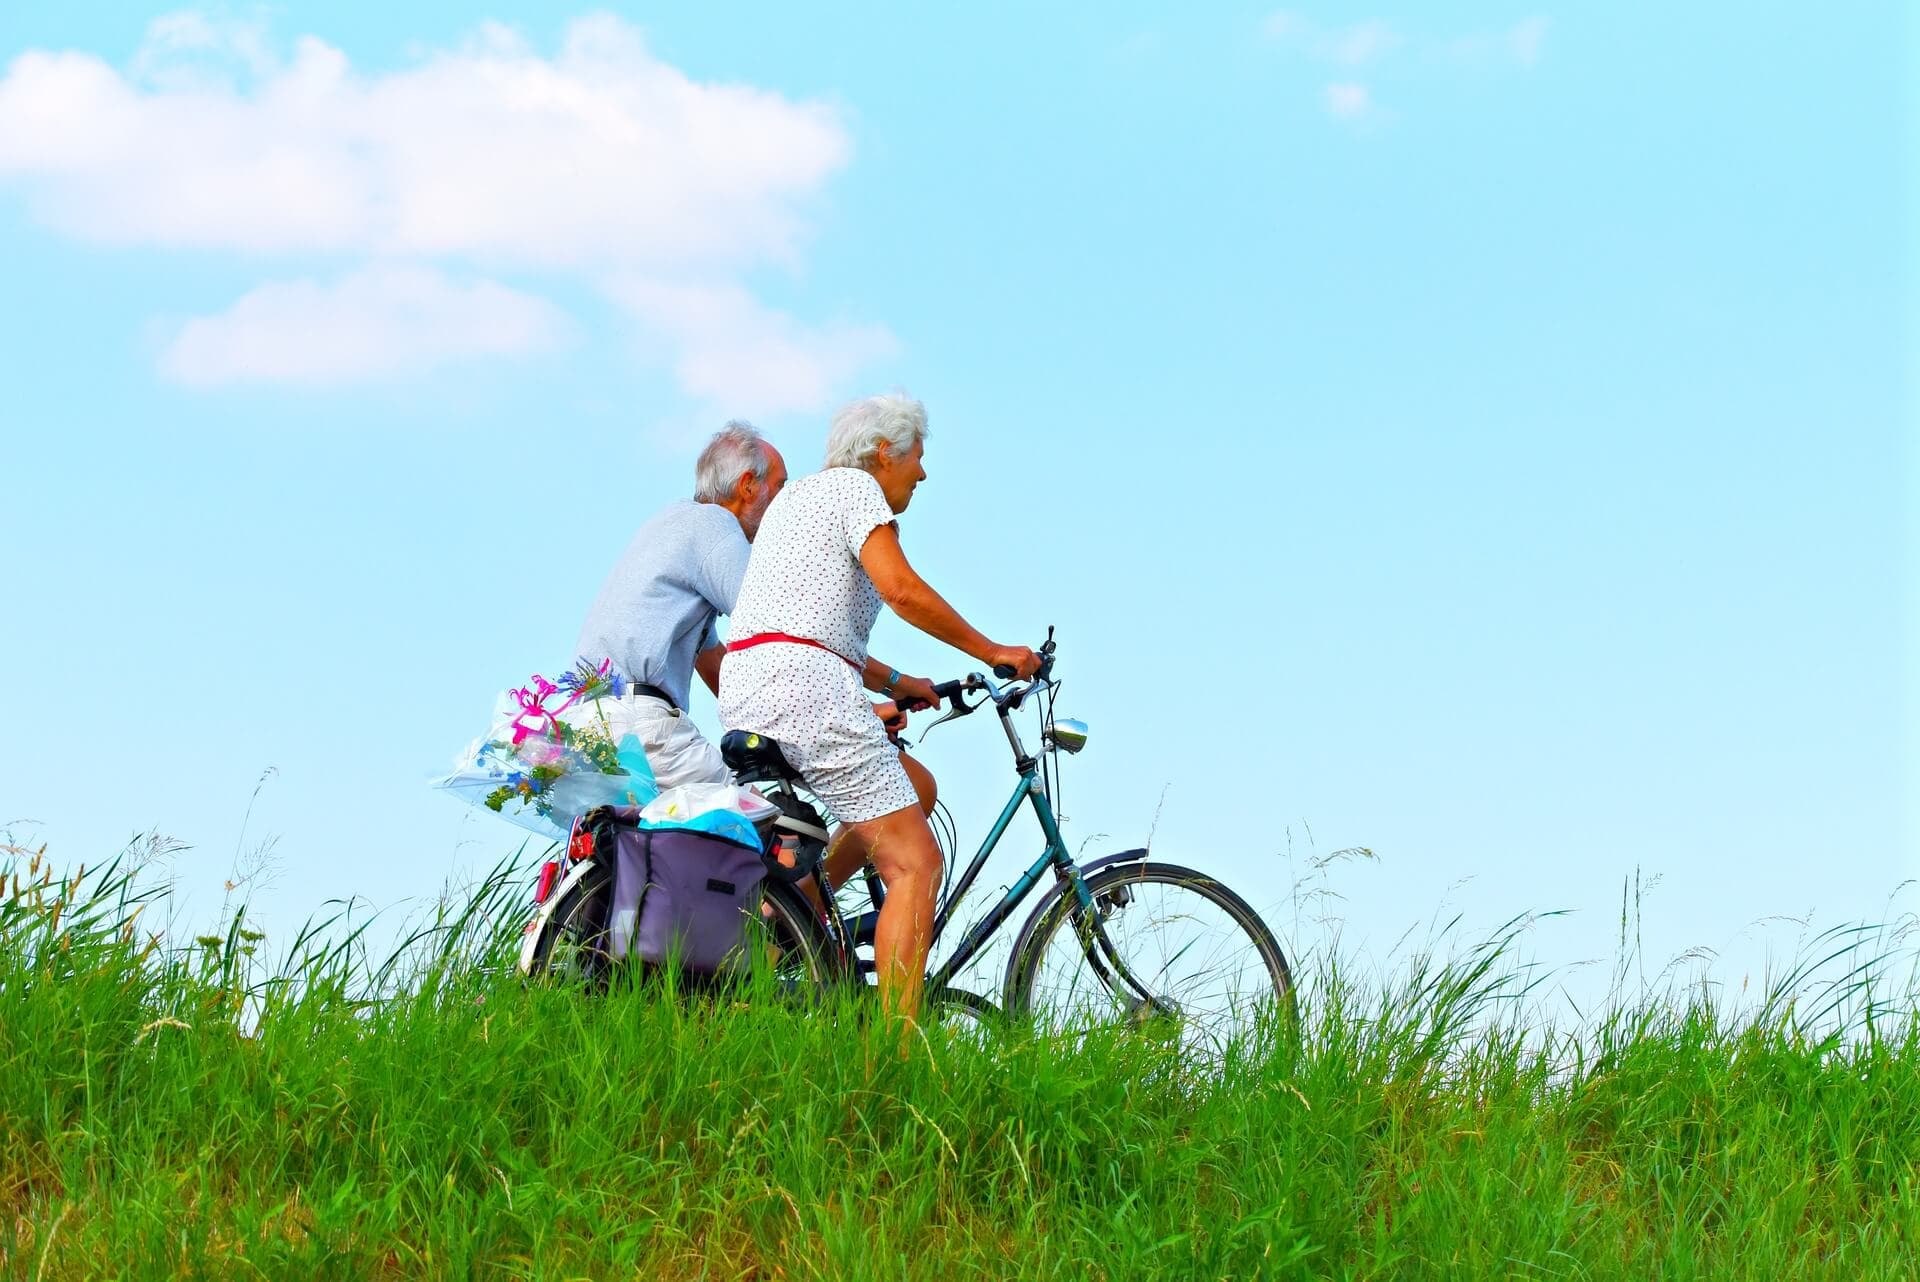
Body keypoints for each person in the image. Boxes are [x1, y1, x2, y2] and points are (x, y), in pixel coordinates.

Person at [718, 393, 1040, 1023]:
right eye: (918, 457)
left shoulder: (799, 500)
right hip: (804, 687)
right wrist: (992, 649)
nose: (921, 473)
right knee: (915, 862)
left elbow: (801, 622)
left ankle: (799, 914)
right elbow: (900, 588)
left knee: (914, 786)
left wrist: (896, 682)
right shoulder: (856, 489)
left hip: (755, 682)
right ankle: (893, 1059)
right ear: (885, 451)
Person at [569, 422, 787, 790]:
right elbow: (781, 627)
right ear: (748, 485)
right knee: (761, 822)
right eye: (781, 487)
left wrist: (779, 724)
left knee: (647, 841)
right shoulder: (715, 526)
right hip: (640, 723)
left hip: (588, 723)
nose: (785, 502)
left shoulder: (672, 522)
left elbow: (713, 661)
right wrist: (845, 713)